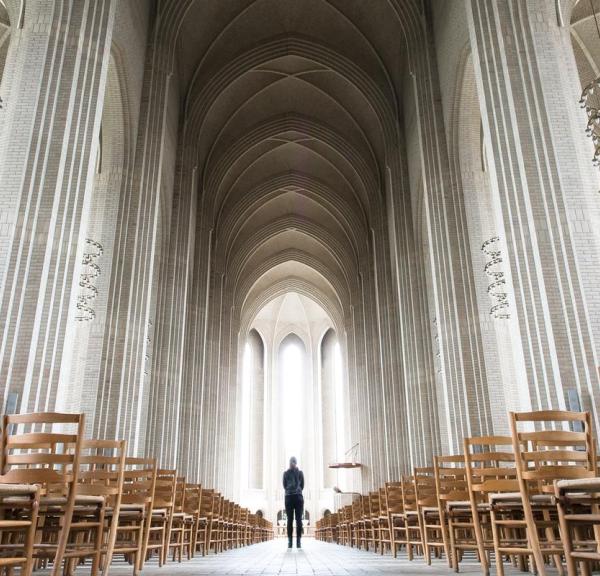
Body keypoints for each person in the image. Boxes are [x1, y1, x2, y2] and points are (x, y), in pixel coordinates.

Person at [283, 456, 304, 548]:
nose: (292, 463)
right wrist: (290, 490)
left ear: (296, 463)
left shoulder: (300, 473)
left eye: (294, 462)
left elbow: (302, 485)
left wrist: (297, 490)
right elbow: (284, 485)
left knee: (299, 520)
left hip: (298, 497)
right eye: (291, 462)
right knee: (289, 520)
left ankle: (298, 541)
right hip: (289, 497)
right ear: (289, 462)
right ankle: (290, 541)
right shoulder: (285, 473)